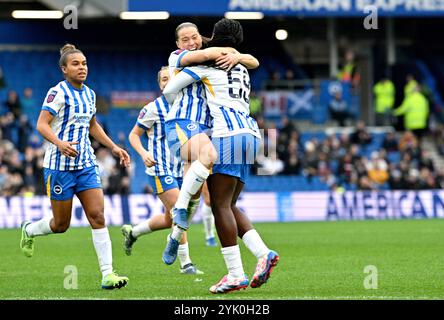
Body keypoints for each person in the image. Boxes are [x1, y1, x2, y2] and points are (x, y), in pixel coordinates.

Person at [163, 18, 279, 294]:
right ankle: (263, 253)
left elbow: (169, 88)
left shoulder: (207, 65)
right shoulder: (240, 65)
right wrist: (239, 55)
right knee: (230, 205)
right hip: (252, 135)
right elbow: (254, 61)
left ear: (213, 37)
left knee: (219, 206)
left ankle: (235, 274)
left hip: (228, 134)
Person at [19, 44, 130, 290]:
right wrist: (59, 144)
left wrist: (113, 147)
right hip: (59, 168)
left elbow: (93, 126)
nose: (82, 68)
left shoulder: (90, 94)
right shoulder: (57, 93)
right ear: (64, 69)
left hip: (86, 165)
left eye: (84, 64)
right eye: (76, 64)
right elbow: (41, 124)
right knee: (61, 225)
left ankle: (107, 274)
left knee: (98, 216)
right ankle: (30, 229)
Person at [121, 66, 203, 275]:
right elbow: (133, 135)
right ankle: (186, 264)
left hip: (182, 170)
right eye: (164, 79)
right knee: (180, 213)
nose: (168, 82)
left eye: (172, 78)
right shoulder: (153, 108)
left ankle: (133, 233)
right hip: (160, 169)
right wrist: (143, 153)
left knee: (169, 220)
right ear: (160, 84)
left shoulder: (187, 108)